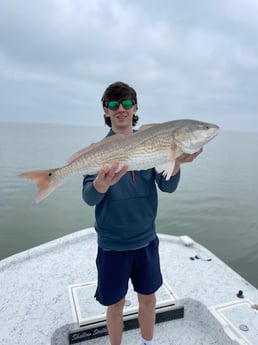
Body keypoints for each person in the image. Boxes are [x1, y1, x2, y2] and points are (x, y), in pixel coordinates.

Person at [82, 81, 202, 345]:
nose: (120, 109)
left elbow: (167, 186)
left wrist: (177, 163)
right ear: (105, 111)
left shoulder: (153, 142)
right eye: (113, 104)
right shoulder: (98, 151)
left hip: (146, 241)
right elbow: (89, 197)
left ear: (135, 107)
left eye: (126, 103)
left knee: (148, 299)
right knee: (115, 306)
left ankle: (147, 343)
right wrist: (101, 184)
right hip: (112, 244)